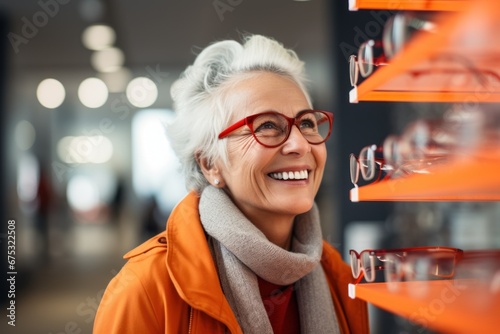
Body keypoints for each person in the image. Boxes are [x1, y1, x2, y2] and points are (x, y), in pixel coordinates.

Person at [93, 34, 369, 334]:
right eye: (267, 126)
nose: (299, 145)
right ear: (210, 163)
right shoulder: (147, 290)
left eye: (306, 123)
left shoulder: (340, 277)